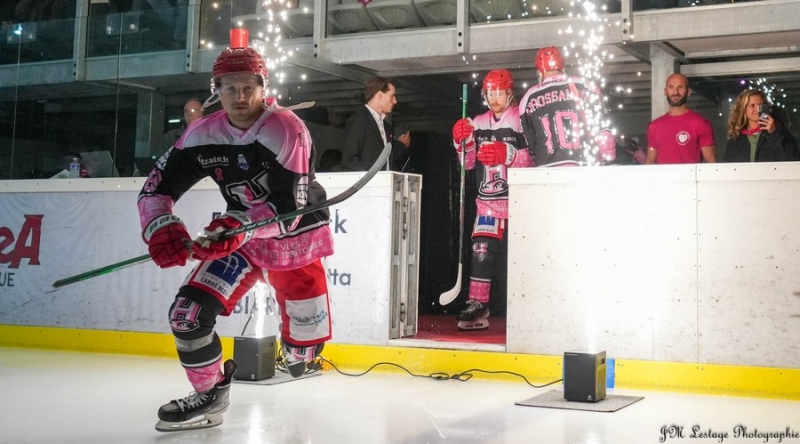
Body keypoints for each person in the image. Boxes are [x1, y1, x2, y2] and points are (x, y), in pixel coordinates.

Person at [138, 29, 334, 432]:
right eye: (230, 88)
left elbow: (288, 212)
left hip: (294, 243)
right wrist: (161, 226)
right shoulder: (201, 134)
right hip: (241, 240)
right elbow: (155, 189)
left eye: (249, 87)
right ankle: (210, 395)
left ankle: (299, 351)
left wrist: (238, 226)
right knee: (187, 316)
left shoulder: (286, 127)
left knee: (302, 355)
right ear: (217, 90)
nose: (240, 96)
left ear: (264, 88)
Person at [450, 69, 534, 330]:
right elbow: (467, 164)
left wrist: (509, 154)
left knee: (525, 256)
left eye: (499, 92)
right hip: (489, 199)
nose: (495, 98)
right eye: (490, 93)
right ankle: (478, 303)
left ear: (510, 92)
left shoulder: (523, 119)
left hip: (522, 202)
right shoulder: (477, 122)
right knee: (481, 251)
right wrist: (460, 143)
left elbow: (536, 159)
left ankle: (530, 304)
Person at [519, 46, 616, 167]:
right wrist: (607, 157)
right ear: (563, 66)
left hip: (547, 170)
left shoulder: (528, 97)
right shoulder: (585, 85)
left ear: (539, 71)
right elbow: (603, 134)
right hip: (584, 167)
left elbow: (530, 147)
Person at [341, 76, 411, 171]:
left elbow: (385, 157)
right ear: (380, 95)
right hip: (369, 184)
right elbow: (349, 158)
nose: (395, 101)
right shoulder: (359, 120)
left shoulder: (386, 126)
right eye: (392, 96)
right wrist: (369, 179)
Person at [645, 73, 717, 164]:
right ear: (665, 91)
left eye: (680, 87)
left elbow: (712, 163)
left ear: (689, 92)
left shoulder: (701, 123)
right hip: (664, 178)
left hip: (691, 178)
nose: (675, 92)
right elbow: (650, 162)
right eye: (671, 87)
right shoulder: (654, 126)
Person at [722, 89, 799, 163]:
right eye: (752, 106)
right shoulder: (736, 139)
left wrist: (774, 134)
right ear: (743, 109)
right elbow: (728, 168)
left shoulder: (780, 133)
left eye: (760, 105)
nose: (757, 109)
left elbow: (792, 159)